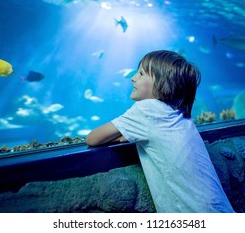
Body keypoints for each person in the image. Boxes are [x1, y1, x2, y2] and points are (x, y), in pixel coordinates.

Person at [86, 50, 235, 213]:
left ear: (164, 84)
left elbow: (92, 139)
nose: (133, 77)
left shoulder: (147, 110)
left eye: (141, 73)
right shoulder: (179, 113)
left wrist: (122, 136)